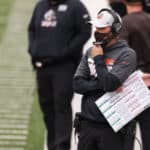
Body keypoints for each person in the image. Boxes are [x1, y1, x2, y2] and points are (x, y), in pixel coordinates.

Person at [27, 0, 91, 149]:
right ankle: (52, 145)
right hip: (42, 66)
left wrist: (66, 52)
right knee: (46, 105)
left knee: (61, 105)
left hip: (64, 66)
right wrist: (33, 50)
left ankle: (62, 146)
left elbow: (85, 31)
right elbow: (31, 30)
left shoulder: (76, 6)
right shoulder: (40, 5)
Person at [73, 8, 137, 150]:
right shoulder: (90, 51)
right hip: (87, 125)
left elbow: (110, 83)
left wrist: (98, 59)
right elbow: (77, 85)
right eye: (96, 27)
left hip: (113, 128)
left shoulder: (127, 54)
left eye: (102, 28)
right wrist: (102, 84)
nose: (97, 31)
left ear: (114, 29)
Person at [120, 0, 150, 150]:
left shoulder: (124, 23)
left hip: (130, 88)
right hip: (149, 85)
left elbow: (121, 59)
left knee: (126, 140)